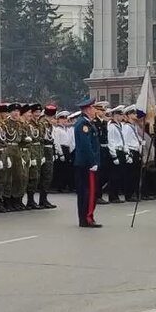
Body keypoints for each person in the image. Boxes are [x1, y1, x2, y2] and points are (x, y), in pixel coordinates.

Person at [72, 97, 102, 228]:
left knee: (88, 191)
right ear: (88, 109)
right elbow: (86, 146)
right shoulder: (83, 124)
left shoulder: (87, 123)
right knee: (88, 192)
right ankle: (87, 218)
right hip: (86, 164)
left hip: (86, 163)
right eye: (94, 108)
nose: (95, 110)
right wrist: (92, 162)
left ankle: (86, 217)